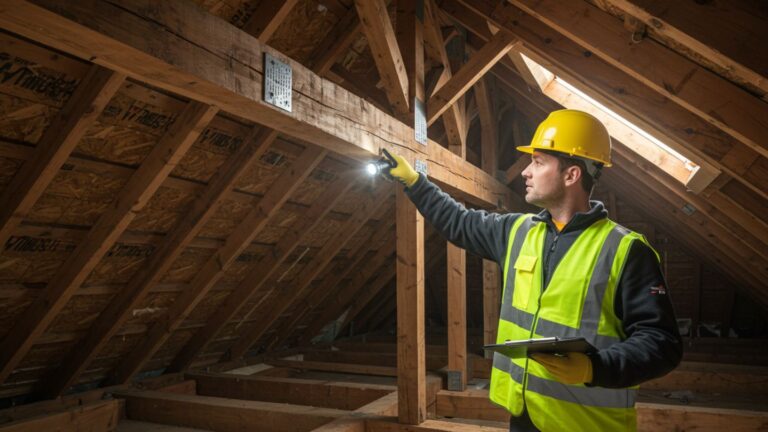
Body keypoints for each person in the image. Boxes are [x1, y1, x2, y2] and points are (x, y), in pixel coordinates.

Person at [386, 109, 682, 431]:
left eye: (538, 162)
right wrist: (414, 182)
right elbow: (459, 222)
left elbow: (661, 343)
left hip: (588, 424)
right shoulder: (517, 231)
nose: (526, 172)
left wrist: (593, 367)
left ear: (571, 175)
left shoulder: (626, 251)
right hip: (525, 416)